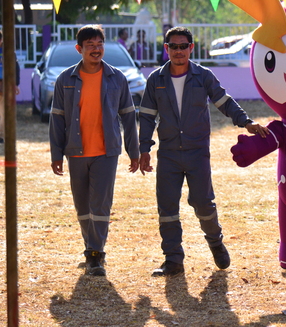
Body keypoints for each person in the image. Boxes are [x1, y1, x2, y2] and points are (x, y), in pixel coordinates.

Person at [139, 26, 269, 277]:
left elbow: (224, 102)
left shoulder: (203, 76)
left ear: (191, 48)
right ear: (166, 49)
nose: (178, 51)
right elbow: (146, 116)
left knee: (202, 202)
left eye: (183, 46)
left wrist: (246, 122)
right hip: (168, 153)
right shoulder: (156, 79)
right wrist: (144, 148)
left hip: (197, 152)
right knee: (167, 207)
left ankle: (215, 243)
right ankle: (173, 260)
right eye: (173, 47)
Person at [49, 25, 140, 276]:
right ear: (79, 49)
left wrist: (134, 151)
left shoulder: (117, 78)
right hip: (76, 151)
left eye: (100, 44)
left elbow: (128, 116)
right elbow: (57, 118)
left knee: (100, 204)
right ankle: (91, 246)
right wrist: (56, 154)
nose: (96, 49)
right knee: (82, 207)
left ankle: (95, 254)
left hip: (106, 152)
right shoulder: (65, 79)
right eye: (90, 45)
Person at [0, 30, 21, 144]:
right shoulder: (8, 51)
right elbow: (16, 67)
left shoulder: (8, 51)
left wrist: (15, 84)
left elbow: (15, 67)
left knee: (4, 111)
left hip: (5, 84)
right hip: (5, 84)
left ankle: (2, 135)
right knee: (4, 111)